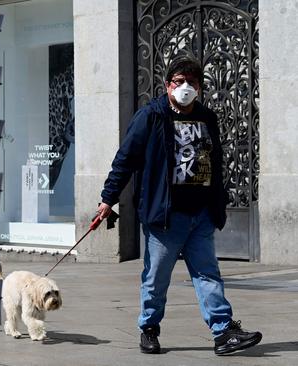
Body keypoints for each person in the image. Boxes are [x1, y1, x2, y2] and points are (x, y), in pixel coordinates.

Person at [96, 56, 262, 355]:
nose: (185, 87)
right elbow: (126, 159)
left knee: (208, 274)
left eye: (192, 82)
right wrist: (108, 198)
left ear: (199, 87)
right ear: (167, 85)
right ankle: (149, 328)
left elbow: (216, 161)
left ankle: (223, 333)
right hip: (165, 217)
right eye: (179, 81)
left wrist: (217, 203)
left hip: (201, 215)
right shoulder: (151, 116)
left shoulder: (207, 117)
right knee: (156, 278)